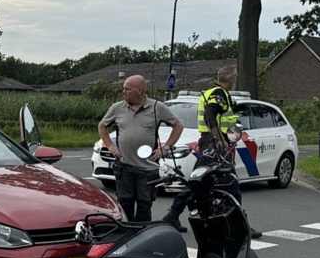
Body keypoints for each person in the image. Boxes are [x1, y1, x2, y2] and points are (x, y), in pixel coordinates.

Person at [162, 64, 263, 238]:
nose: (235, 82)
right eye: (235, 79)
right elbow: (210, 116)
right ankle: (242, 225)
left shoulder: (209, 92)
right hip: (214, 145)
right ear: (231, 79)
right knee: (230, 183)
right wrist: (221, 140)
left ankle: (173, 215)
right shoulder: (219, 93)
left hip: (208, 143)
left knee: (199, 181)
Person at [98, 75, 185, 222]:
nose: (123, 92)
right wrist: (110, 145)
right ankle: (126, 235)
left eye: (127, 89)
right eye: (123, 89)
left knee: (145, 205)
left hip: (147, 168)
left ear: (139, 90)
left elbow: (178, 126)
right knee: (125, 203)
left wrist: (166, 148)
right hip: (125, 166)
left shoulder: (157, 107)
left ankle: (142, 235)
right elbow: (102, 126)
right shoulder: (117, 108)